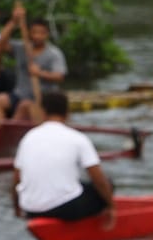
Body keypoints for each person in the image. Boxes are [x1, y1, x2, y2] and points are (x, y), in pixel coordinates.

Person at [13, 92, 115, 224]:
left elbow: (16, 179)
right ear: (67, 113)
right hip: (66, 209)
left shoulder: (28, 138)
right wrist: (112, 207)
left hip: (30, 209)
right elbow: (98, 178)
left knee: (80, 184)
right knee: (109, 184)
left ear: (43, 112)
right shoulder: (77, 138)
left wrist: (17, 209)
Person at [7, 18, 68, 122]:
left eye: (41, 33)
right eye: (34, 32)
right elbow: (0, 45)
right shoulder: (22, 47)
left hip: (43, 97)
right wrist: (13, 22)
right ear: (29, 33)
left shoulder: (54, 53)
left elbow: (60, 76)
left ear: (47, 34)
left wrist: (39, 73)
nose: (37, 36)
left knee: (25, 105)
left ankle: (13, 133)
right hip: (20, 94)